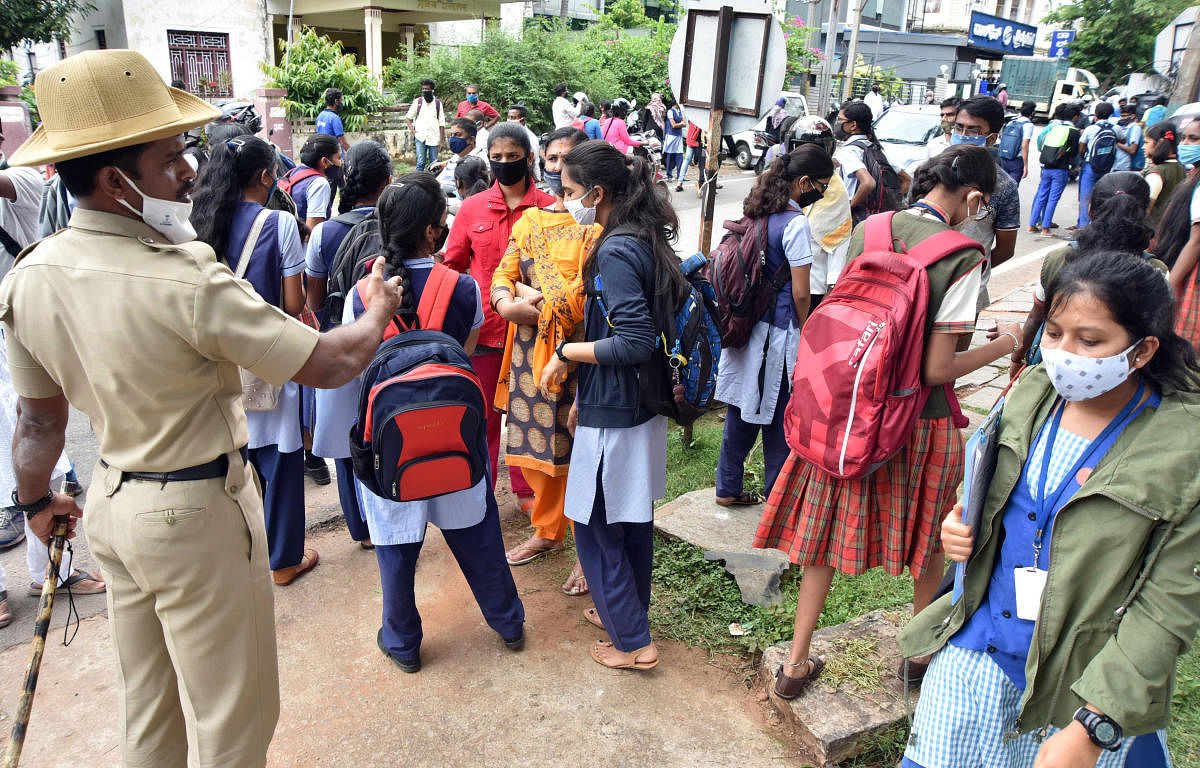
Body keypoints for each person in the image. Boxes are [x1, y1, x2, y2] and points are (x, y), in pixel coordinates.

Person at [0, 49, 403, 767]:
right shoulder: (185, 277)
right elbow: (330, 359)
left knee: (147, 708)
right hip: (195, 512)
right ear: (112, 178)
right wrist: (375, 312)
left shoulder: (32, 275)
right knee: (234, 716)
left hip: (113, 505)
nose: (190, 167)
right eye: (170, 153)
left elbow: (39, 422)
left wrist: (36, 504)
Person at [899, 251, 1200, 768]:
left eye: (1090, 340)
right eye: (1055, 332)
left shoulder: (1183, 450)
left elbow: (1168, 606)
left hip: (1082, 683)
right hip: (982, 653)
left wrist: (1093, 726)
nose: (1063, 353)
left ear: (1143, 350)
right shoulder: (1032, 392)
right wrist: (957, 522)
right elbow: (985, 487)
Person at [756, 145, 1023, 698]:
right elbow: (937, 367)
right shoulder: (963, 255)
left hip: (849, 412)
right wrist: (1004, 344)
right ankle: (918, 654)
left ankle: (796, 663)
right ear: (975, 198)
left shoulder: (871, 229)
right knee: (932, 538)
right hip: (919, 423)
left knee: (821, 541)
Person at [337, 174, 525, 672]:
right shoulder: (463, 288)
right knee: (479, 537)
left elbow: (356, 362)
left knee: (396, 550)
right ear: (431, 233)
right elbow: (462, 355)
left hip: (391, 449)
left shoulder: (362, 294)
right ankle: (507, 622)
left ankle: (402, 643)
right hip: (455, 440)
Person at [538, 141, 686, 671]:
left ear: (598, 193)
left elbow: (634, 340)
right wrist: (583, 390)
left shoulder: (617, 249)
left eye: (572, 191)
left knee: (595, 524)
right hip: (631, 403)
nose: (566, 200)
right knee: (628, 517)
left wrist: (565, 353)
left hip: (620, 407)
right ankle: (625, 615)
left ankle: (632, 641)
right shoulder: (639, 235)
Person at [193, 135, 319, 586]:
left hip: (212, 362)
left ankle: (238, 553)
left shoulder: (199, 221)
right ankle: (284, 559)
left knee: (232, 460)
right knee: (280, 460)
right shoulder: (278, 224)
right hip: (265, 360)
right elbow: (292, 301)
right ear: (266, 176)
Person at [491, 126, 595, 594]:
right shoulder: (529, 223)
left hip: (581, 355)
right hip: (529, 357)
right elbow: (503, 274)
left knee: (579, 455)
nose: (559, 168)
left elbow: (589, 299)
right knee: (536, 453)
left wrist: (544, 299)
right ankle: (548, 531)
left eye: (569, 159)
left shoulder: (599, 226)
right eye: (553, 159)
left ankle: (588, 549)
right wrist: (503, 303)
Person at [714, 146, 830, 509]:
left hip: (745, 326)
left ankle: (727, 486)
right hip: (776, 337)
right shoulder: (795, 222)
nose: (822, 192)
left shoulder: (759, 210)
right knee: (779, 415)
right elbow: (800, 293)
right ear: (804, 182)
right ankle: (779, 501)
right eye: (822, 185)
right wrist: (808, 330)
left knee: (741, 409)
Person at [445, 124, 554, 508]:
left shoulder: (549, 206)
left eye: (513, 157)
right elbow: (454, 266)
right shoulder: (472, 209)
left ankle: (528, 492)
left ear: (528, 157)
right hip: (486, 335)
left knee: (531, 417)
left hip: (536, 334)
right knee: (485, 419)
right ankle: (482, 495)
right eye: (497, 158)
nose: (505, 164)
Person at [305, 140, 393, 550]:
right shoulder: (394, 225)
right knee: (385, 427)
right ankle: (391, 516)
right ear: (388, 182)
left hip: (339, 344)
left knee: (345, 436)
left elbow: (314, 301)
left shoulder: (324, 232)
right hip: (387, 344)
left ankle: (360, 530)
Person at [1015, 172, 1161, 371]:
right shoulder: (1156, 272)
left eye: (1090, 340)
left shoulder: (1059, 258)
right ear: (1146, 211)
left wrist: (1018, 359)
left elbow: (1035, 316)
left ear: (1090, 209)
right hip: (1120, 374)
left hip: (1050, 368)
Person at [949, 96, 1020, 310]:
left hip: (966, 294)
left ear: (991, 138)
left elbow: (1005, 249)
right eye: (959, 127)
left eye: (973, 130)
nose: (962, 135)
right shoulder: (930, 171)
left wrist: (972, 271)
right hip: (922, 282)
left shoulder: (1004, 186)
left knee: (959, 345)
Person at [1029, 103, 1081, 236]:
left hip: (1046, 167)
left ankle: (1032, 225)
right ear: (1076, 117)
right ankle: (1045, 228)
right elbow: (1074, 153)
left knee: (1041, 195)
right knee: (1053, 198)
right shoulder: (1074, 132)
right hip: (1060, 169)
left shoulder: (1055, 128)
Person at [1075, 101, 1124, 230]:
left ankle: (1083, 227)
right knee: (1102, 198)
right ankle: (1096, 227)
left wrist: (1082, 158)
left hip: (1090, 167)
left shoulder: (1091, 129)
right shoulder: (1116, 128)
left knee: (1086, 198)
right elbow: (1122, 139)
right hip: (1107, 168)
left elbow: (1082, 147)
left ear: (1095, 114)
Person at [833, 100, 879, 220]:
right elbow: (905, 180)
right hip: (876, 217)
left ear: (853, 125)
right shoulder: (874, 147)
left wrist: (849, 207)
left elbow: (868, 183)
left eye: (840, 120)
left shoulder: (849, 151)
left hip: (855, 218)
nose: (837, 124)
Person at [288, 133, 341, 233]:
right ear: (324, 161)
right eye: (338, 158)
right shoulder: (319, 184)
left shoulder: (294, 172)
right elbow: (313, 232)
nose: (341, 162)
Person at [1141, 121, 1186, 229]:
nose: (1143, 147)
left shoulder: (1156, 174)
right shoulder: (1180, 168)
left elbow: (1145, 210)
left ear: (1160, 143)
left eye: (1146, 142)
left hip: (1151, 232)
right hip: (1168, 229)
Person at [431, 117, 486, 196]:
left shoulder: (479, 161)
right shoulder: (457, 156)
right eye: (451, 135)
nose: (453, 139)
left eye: (457, 135)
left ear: (471, 139)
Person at [405, 78, 445, 172]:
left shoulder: (438, 104)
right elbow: (408, 118)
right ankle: (418, 183)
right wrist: (414, 132)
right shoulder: (417, 102)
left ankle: (433, 184)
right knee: (420, 162)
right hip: (420, 137)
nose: (425, 91)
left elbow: (442, 124)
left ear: (432, 90)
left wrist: (441, 141)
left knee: (434, 164)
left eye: (427, 89)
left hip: (434, 138)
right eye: (423, 89)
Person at [315, 87, 350, 194]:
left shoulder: (320, 116)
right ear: (336, 101)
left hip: (324, 159)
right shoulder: (334, 118)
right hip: (335, 161)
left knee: (343, 188)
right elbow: (343, 142)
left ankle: (344, 208)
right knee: (333, 191)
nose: (342, 103)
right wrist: (353, 153)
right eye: (341, 100)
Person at [999, 100, 1036, 181]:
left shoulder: (1011, 122)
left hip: (1003, 158)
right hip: (1016, 161)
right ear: (1032, 112)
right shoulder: (1028, 125)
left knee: (1001, 185)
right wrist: (1026, 165)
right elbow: (1024, 145)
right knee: (1012, 189)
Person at [507, 104, 542, 179]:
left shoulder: (530, 138)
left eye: (513, 118)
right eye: (508, 117)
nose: (509, 120)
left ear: (522, 120)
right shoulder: (509, 134)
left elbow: (534, 162)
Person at [1113, 103, 1144, 172]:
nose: (1121, 118)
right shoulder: (1125, 127)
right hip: (1119, 165)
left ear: (1132, 116)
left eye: (1124, 116)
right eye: (1121, 116)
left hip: (1126, 166)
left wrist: (1116, 143)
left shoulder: (1135, 128)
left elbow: (1132, 150)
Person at [677, 120, 703, 192]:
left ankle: (680, 182)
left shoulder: (692, 117)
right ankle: (702, 182)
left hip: (690, 141)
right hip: (698, 143)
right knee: (702, 162)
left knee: (687, 160)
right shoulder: (702, 119)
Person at [663, 98, 685, 183]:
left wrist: (679, 124)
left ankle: (680, 175)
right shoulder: (670, 111)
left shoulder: (680, 111)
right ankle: (669, 175)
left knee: (679, 155)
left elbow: (684, 123)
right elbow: (673, 125)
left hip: (678, 136)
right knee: (670, 155)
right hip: (671, 135)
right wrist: (680, 124)